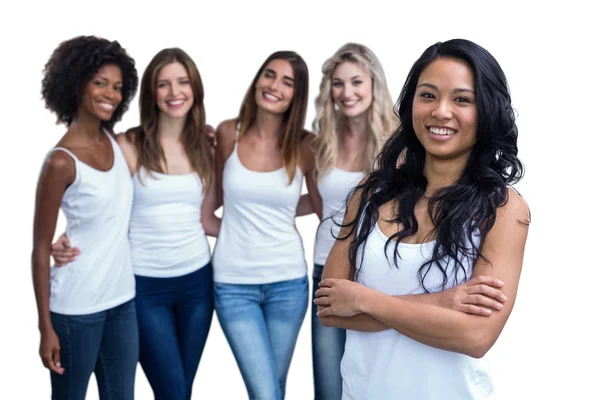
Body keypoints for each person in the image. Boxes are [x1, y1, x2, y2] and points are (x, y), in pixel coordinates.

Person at [314, 38, 530, 399]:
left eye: (462, 99)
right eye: (427, 95)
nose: (440, 111)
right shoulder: (369, 193)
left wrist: (364, 300)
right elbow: (331, 308)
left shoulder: (503, 209)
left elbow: (475, 336)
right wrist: (442, 302)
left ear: (488, 110)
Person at [51, 48, 216, 400]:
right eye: (164, 84)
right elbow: (102, 203)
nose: (175, 93)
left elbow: (216, 213)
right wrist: (66, 236)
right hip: (144, 286)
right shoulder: (128, 144)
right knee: (172, 391)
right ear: (150, 93)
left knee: (182, 391)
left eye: (183, 82)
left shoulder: (206, 144)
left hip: (198, 284)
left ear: (195, 89)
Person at [33, 35, 139, 399]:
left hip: (123, 301)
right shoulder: (61, 161)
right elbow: (38, 249)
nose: (111, 93)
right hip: (76, 309)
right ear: (76, 82)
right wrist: (45, 328)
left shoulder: (115, 141)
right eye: (100, 82)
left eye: (117, 86)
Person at [205, 50, 313, 400]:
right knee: (266, 393)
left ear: (297, 95)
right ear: (257, 79)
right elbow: (210, 211)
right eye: (269, 74)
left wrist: (272, 219)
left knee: (273, 391)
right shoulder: (227, 134)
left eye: (287, 81)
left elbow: (323, 202)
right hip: (234, 286)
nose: (274, 86)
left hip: (288, 284)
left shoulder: (305, 144)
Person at [308, 42, 397, 400]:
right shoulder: (320, 142)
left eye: (356, 82)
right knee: (329, 385)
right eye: (339, 83)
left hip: (377, 276)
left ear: (374, 83)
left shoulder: (400, 142)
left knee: (377, 382)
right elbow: (321, 206)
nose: (347, 93)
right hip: (325, 271)